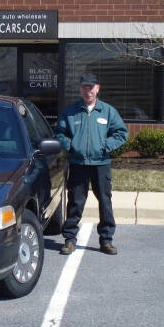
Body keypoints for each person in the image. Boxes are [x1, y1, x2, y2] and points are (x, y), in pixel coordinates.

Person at [54, 72, 129, 255]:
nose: (88, 91)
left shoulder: (108, 111)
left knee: (105, 201)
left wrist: (106, 146)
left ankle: (106, 239)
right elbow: (60, 133)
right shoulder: (70, 112)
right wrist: (71, 146)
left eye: (91, 87)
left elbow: (121, 133)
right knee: (75, 202)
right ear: (80, 89)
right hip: (78, 164)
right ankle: (70, 239)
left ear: (98, 88)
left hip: (101, 164)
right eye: (84, 87)